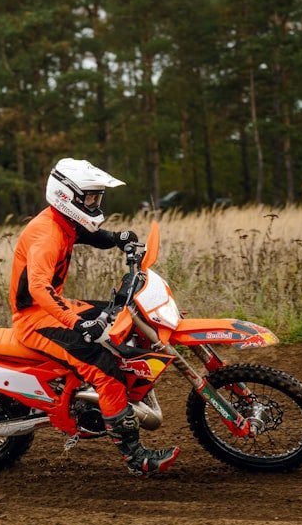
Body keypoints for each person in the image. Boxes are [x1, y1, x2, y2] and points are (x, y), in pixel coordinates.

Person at [9, 157, 180, 476]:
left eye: (96, 197)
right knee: (107, 372)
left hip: (54, 306)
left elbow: (89, 235)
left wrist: (118, 239)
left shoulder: (63, 222)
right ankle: (136, 458)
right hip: (35, 318)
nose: (95, 203)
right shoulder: (47, 235)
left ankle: (98, 396)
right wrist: (77, 323)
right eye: (90, 197)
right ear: (66, 195)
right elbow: (39, 289)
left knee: (122, 319)